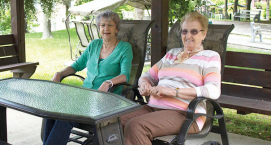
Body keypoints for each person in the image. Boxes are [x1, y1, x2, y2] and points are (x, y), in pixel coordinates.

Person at [121, 12, 221, 145]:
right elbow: (147, 76)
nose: (188, 36)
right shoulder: (172, 54)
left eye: (194, 31)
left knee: (136, 126)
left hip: (185, 114)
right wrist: (145, 85)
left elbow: (213, 90)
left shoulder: (210, 57)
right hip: (153, 108)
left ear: (204, 34)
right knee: (112, 122)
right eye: (184, 31)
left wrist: (173, 92)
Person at [43, 10, 133, 145]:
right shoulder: (94, 45)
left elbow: (125, 75)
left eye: (110, 25)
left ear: (117, 28)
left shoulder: (124, 48)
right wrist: (60, 73)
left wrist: (109, 82)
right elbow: (77, 65)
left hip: (106, 99)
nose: (106, 28)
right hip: (85, 96)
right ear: (99, 28)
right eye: (102, 25)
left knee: (66, 116)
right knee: (53, 110)